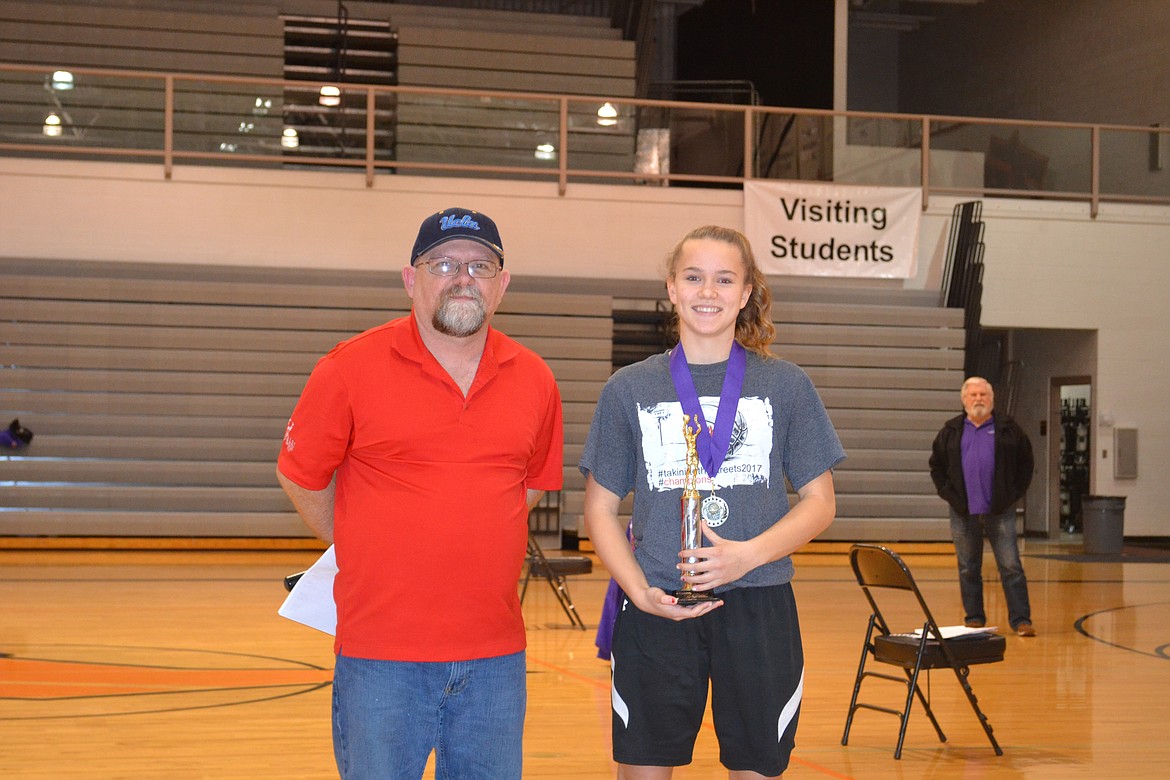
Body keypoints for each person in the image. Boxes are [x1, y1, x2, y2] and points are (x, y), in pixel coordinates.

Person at [276, 207, 564, 780]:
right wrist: (362, 540)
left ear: (502, 284)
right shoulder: (347, 369)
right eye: (444, 264)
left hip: (495, 658)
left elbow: (529, 487)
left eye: (480, 265)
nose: (463, 277)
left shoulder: (535, 378)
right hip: (381, 656)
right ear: (412, 279)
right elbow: (301, 475)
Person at [579, 225, 845, 779]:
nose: (708, 291)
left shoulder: (787, 385)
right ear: (672, 288)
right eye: (694, 277)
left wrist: (748, 556)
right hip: (658, 607)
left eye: (725, 279)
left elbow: (821, 503)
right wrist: (639, 592)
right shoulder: (628, 388)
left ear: (746, 292)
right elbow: (599, 511)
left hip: (759, 606)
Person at [929, 376, 1035, 637]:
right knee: (968, 567)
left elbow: (1026, 464)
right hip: (963, 512)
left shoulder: (1010, 430)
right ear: (964, 400)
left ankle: (1021, 620)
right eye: (973, 395)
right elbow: (937, 467)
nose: (978, 399)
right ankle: (974, 618)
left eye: (983, 395)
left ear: (992, 399)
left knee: (1011, 566)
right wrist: (949, 495)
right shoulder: (950, 431)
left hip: (1000, 511)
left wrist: (1013, 495)